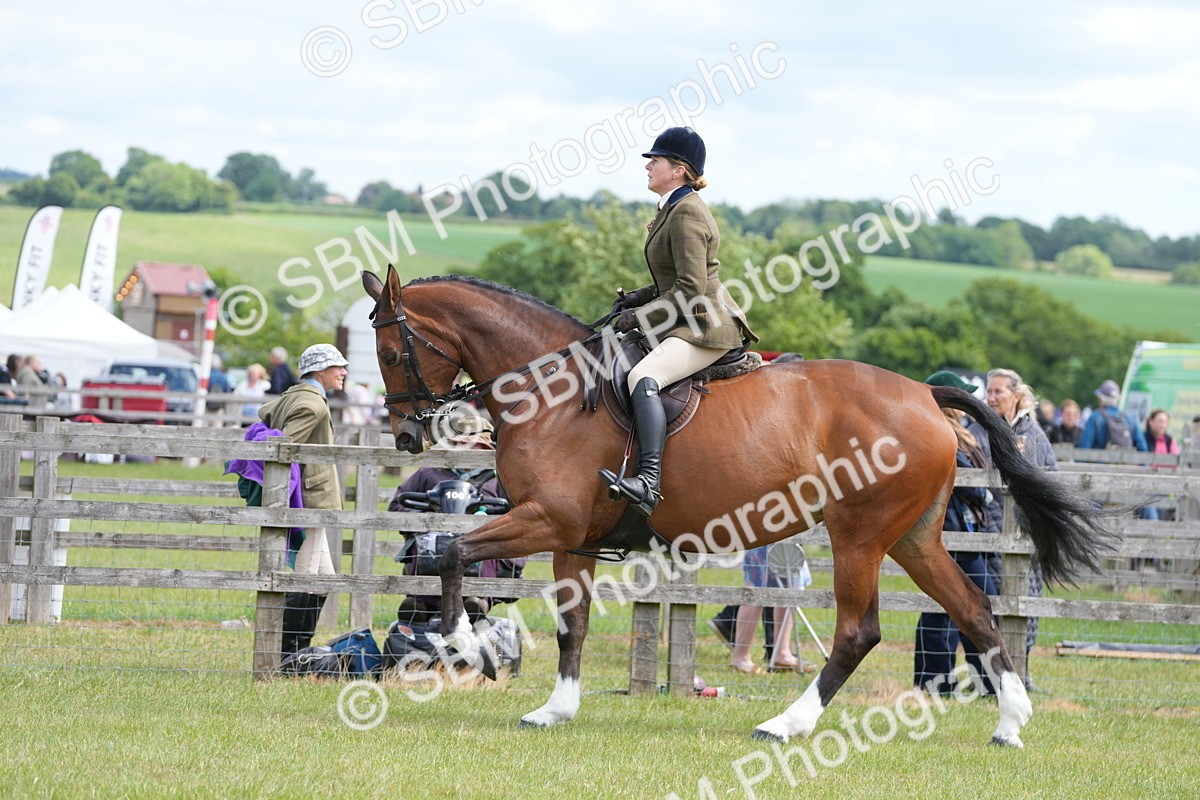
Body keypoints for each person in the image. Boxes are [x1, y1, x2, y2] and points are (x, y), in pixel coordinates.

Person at [599, 127, 758, 517]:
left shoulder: (687, 212)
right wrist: (637, 297)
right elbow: (673, 280)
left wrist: (640, 317)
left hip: (706, 324)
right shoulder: (673, 207)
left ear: (680, 170)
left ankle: (649, 482)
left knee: (642, 378)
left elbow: (690, 288)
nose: (649, 165)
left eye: (657, 159)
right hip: (688, 315)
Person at [257, 344, 349, 655]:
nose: (343, 372)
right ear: (320, 371)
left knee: (323, 580)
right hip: (312, 500)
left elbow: (265, 417)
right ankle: (286, 654)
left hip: (309, 498)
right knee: (306, 580)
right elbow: (283, 448)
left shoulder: (293, 397)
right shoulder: (313, 405)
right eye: (338, 367)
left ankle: (296, 649)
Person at [914, 371, 997, 695]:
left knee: (964, 604)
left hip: (966, 526)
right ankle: (939, 682)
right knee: (951, 607)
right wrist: (985, 493)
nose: (967, 402)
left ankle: (975, 680)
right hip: (950, 526)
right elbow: (964, 476)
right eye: (960, 395)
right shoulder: (940, 430)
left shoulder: (963, 433)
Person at [388, 430, 525, 625]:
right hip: (433, 538)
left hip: (482, 540)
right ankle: (419, 603)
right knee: (425, 548)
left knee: (487, 550)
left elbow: (520, 514)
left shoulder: (499, 478)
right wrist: (426, 520)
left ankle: (477, 602)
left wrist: (490, 523)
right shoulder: (430, 473)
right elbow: (397, 505)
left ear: (486, 449)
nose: (467, 450)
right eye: (462, 444)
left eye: (474, 446)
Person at [980, 367, 1056, 692]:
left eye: (999, 391)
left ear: (1016, 395)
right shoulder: (986, 429)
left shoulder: (1031, 434)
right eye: (989, 390)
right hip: (994, 528)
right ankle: (998, 678)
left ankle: (1020, 675)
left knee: (1026, 601)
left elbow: (1041, 478)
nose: (991, 396)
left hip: (1028, 531)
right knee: (996, 603)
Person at [725, 544, 814, 675]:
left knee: (789, 586)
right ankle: (741, 658)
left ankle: (782, 654)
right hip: (763, 535)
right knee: (755, 589)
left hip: (787, 534)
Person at [1078, 380, 1148, 451]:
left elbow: (1084, 447)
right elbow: (1143, 448)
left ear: (1101, 398)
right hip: (1125, 461)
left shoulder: (1095, 417)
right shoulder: (1131, 418)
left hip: (1100, 461)